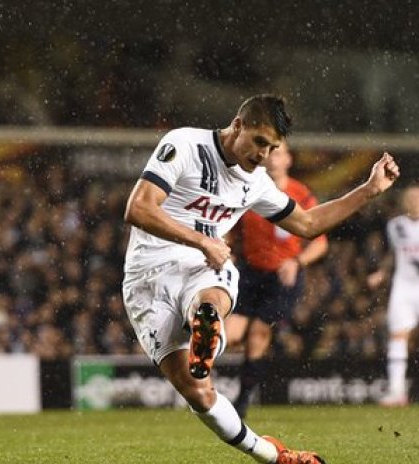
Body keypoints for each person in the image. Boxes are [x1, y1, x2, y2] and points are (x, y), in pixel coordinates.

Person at [122, 94, 399, 463]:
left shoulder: (256, 183)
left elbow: (309, 223)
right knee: (199, 394)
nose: (263, 155)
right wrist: (202, 239)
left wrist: (368, 190)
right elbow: (138, 208)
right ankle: (270, 453)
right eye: (259, 142)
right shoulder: (185, 143)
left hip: (205, 264)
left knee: (210, 294)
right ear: (239, 125)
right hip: (147, 276)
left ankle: (207, 327)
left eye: (272, 148)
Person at [225, 143, 329, 418]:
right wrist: (225, 250)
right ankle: (206, 392)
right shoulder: (247, 190)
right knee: (230, 334)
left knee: (258, 334)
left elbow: (320, 242)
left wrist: (296, 262)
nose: (272, 158)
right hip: (250, 273)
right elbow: (228, 230)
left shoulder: (301, 195)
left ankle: (243, 401)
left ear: (289, 160)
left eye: (279, 152)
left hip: (282, 278)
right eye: (269, 152)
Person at [367, 184, 419, 407]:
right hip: (404, 288)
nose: (414, 200)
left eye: (418, 196)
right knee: (398, 337)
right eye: (410, 196)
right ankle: (397, 391)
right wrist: (381, 272)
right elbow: (394, 254)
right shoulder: (395, 225)